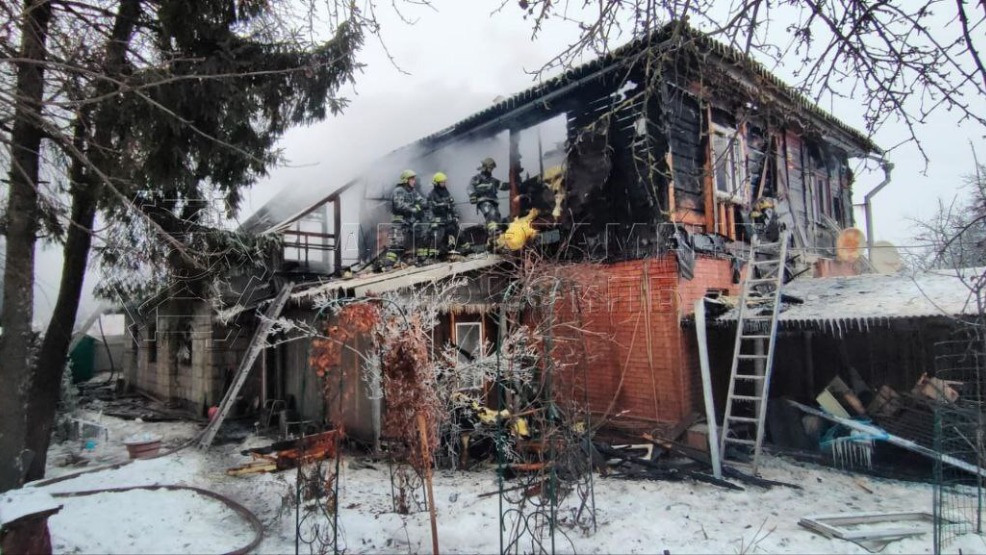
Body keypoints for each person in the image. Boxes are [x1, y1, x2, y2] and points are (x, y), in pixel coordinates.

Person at [378, 169, 427, 270]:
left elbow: (421, 200)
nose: (414, 181)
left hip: (410, 222)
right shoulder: (399, 191)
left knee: (421, 236)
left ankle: (421, 260)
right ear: (406, 180)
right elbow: (399, 205)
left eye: (414, 179)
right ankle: (388, 265)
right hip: (399, 222)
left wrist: (425, 204)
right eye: (412, 179)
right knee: (397, 244)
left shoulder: (412, 191)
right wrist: (413, 208)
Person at [468, 157, 510, 242]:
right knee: (491, 214)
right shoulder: (477, 178)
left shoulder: (493, 180)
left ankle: (494, 236)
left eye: (492, 168)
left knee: (497, 216)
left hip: (493, 201)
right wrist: (472, 195)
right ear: (485, 167)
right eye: (490, 168)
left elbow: (503, 186)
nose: (491, 170)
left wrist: (513, 184)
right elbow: (470, 187)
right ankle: (493, 231)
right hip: (483, 201)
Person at [427, 172, 459, 257]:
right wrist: (433, 221)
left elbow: (453, 205)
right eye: (442, 182)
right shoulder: (432, 194)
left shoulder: (446, 192)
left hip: (447, 219)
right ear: (436, 183)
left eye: (444, 182)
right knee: (438, 235)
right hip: (438, 220)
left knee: (452, 230)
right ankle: (432, 254)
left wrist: (455, 216)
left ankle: (451, 249)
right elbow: (430, 209)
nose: (444, 184)